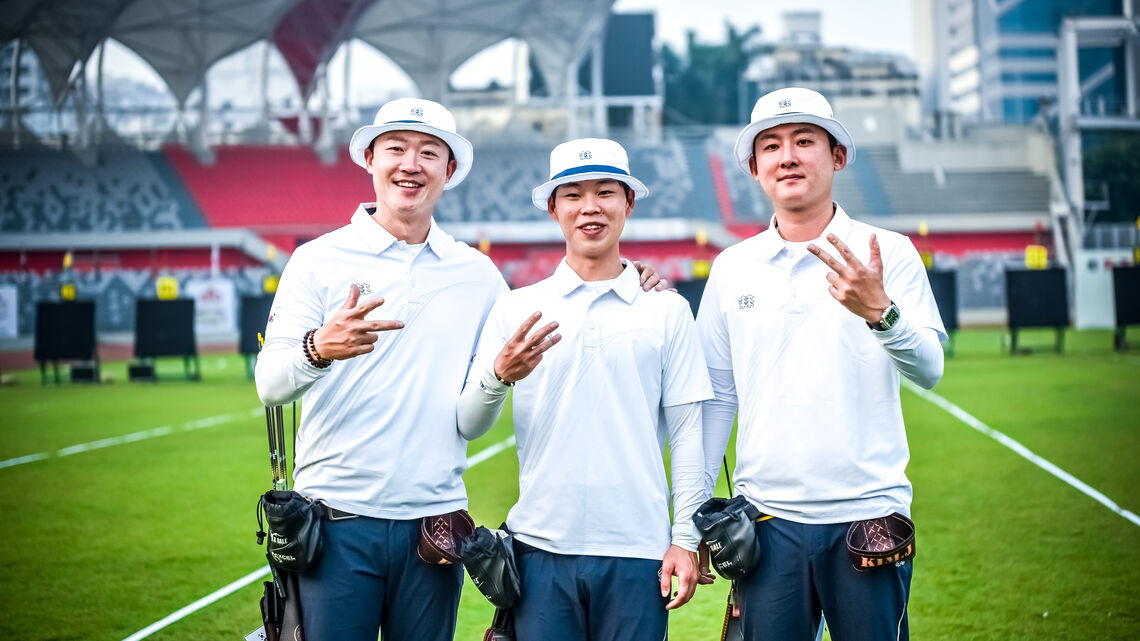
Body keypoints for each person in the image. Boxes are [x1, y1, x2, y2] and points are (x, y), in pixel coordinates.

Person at [254, 99, 667, 641]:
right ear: (370, 160)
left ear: (449, 171)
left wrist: (631, 280)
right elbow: (270, 384)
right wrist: (318, 348)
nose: (411, 163)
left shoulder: (477, 274)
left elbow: (471, 418)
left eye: (429, 152)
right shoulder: (317, 259)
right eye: (396, 148)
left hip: (435, 529)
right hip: (336, 521)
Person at [696, 87, 946, 641]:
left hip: (869, 515)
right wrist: (690, 519)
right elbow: (715, 397)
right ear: (755, 168)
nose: (787, 156)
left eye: (804, 141)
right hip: (765, 521)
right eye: (771, 146)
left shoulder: (890, 251)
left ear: (836, 156)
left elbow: (930, 369)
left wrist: (881, 313)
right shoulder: (731, 268)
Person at [456, 138, 714, 641]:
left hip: (639, 551)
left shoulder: (667, 310)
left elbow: (687, 433)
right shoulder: (516, 308)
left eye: (605, 192)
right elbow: (469, 422)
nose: (590, 207)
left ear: (628, 203)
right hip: (539, 549)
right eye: (572, 194)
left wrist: (684, 537)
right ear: (553, 208)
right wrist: (498, 374)